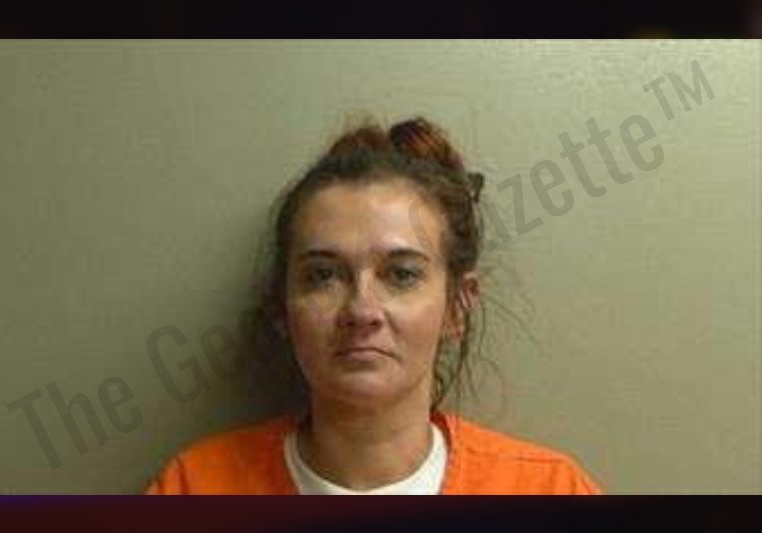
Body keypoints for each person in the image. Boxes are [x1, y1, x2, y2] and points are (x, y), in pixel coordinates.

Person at [143, 116, 602, 495]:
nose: (361, 311)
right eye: (323, 275)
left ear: (457, 307)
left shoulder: (550, 491)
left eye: (401, 274)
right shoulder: (195, 488)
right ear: (282, 308)